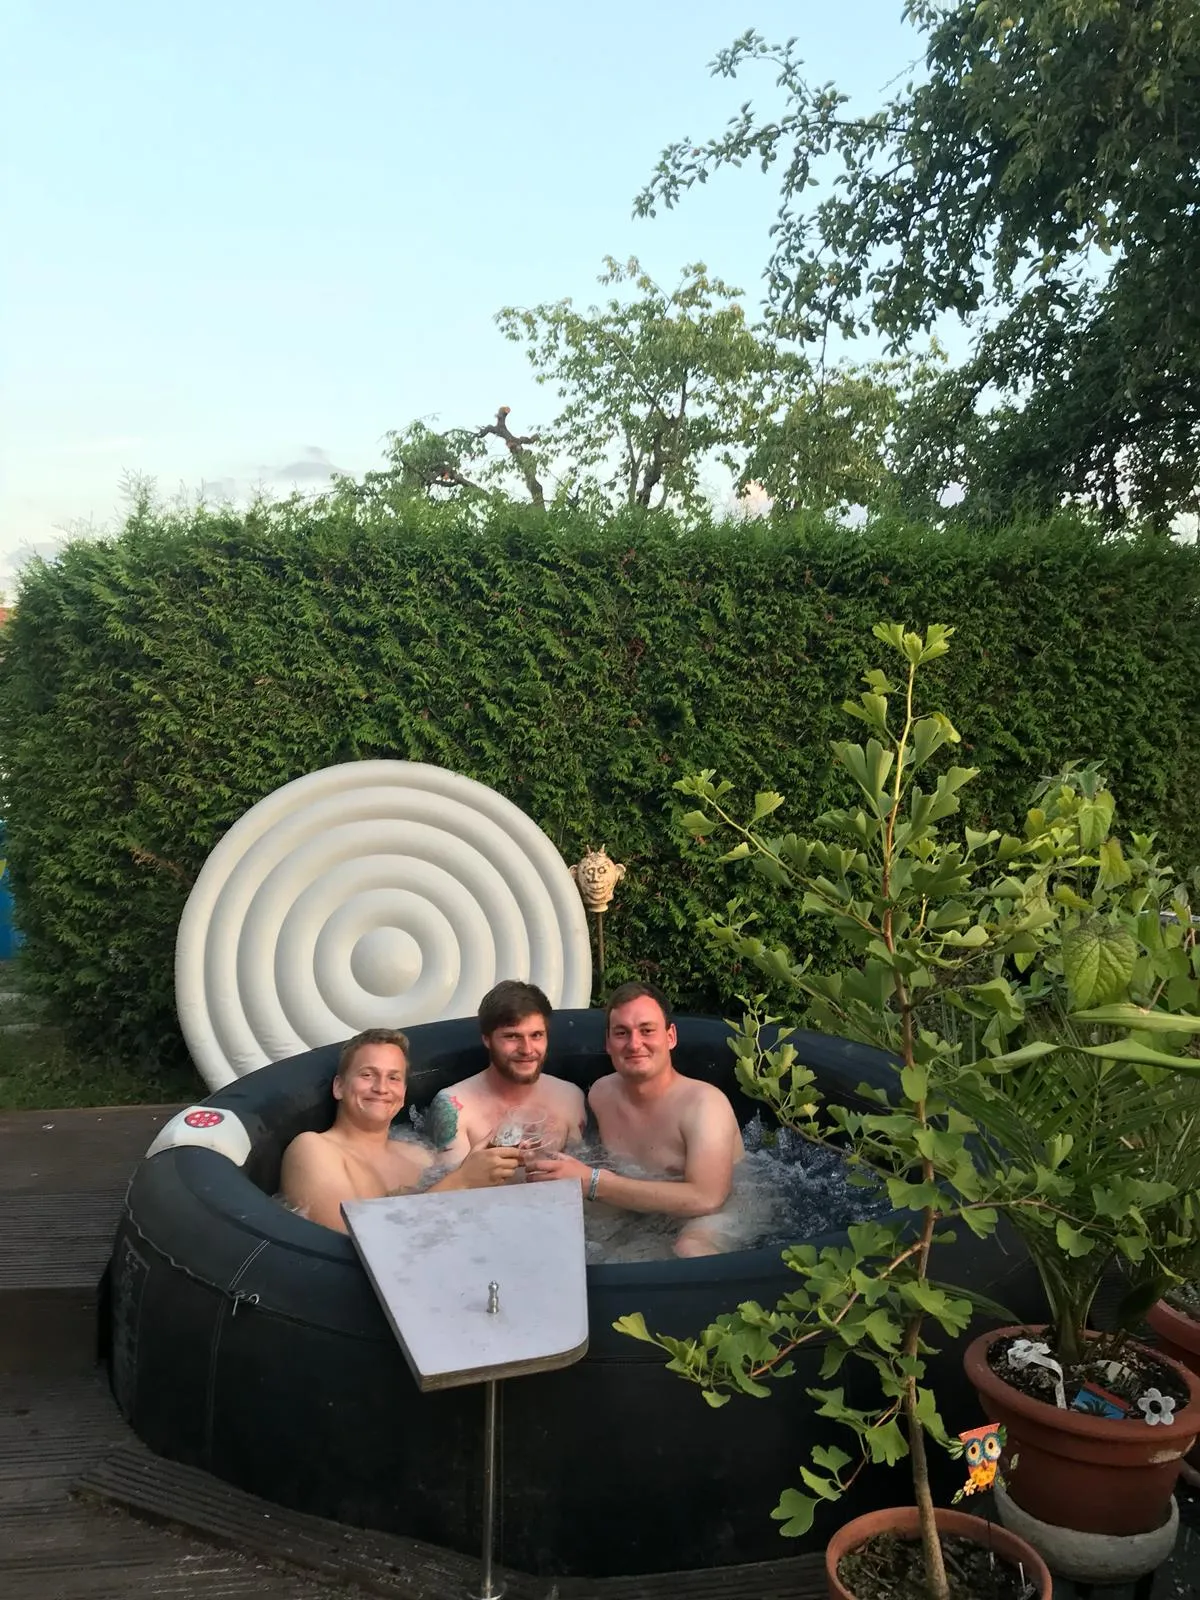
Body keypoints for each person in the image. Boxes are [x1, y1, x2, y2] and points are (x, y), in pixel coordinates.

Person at [528, 981, 744, 1257]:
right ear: (608, 1043)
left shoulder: (704, 1106)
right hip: (636, 1205)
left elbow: (708, 1198)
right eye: (622, 1033)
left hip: (718, 1210)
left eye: (647, 1030)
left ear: (670, 1037)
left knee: (690, 1249)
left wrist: (595, 1183)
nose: (634, 1044)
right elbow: (582, 1144)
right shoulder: (601, 1094)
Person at [280, 1028, 521, 1232]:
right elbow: (347, 1242)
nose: (381, 1088)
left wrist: (490, 1174)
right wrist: (462, 1181)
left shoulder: (419, 1154)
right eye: (368, 1075)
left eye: (393, 1078)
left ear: (404, 1094)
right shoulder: (313, 1149)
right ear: (339, 1087)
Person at [424, 980, 587, 1168]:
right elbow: (452, 1183)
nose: (527, 1049)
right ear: (487, 1039)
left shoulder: (569, 1097)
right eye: (512, 1036)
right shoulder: (455, 1107)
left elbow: (583, 1169)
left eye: (536, 1035)